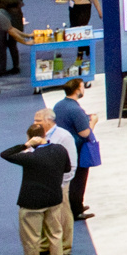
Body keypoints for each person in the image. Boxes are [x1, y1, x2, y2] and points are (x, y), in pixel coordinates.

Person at [0, 119, 72, 255]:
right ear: (45, 135)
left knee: (31, 240)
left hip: (32, 203)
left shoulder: (30, 157)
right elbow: (67, 169)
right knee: (55, 235)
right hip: (54, 199)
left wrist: (25, 145)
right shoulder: (60, 149)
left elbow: (5, 154)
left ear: (30, 137)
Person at [49, 77, 98, 223]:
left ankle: (75, 206)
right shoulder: (76, 110)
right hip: (76, 149)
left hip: (63, 147)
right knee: (79, 179)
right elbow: (85, 133)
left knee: (71, 179)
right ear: (77, 90)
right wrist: (93, 122)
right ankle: (76, 209)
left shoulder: (59, 105)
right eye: (82, 87)